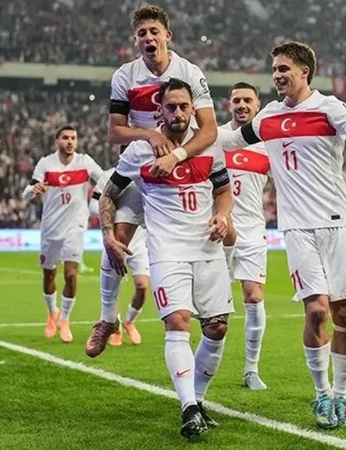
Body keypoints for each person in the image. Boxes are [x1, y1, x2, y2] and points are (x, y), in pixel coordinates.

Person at [217, 42, 346, 429]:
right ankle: (322, 394)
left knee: (343, 313)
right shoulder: (268, 117)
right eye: (274, 69)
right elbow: (227, 141)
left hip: (337, 223)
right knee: (316, 310)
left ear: (304, 71)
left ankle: (342, 395)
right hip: (296, 228)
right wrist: (186, 135)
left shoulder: (329, 108)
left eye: (283, 68)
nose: (277, 75)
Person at [100, 78, 234, 438]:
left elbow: (223, 190)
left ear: (193, 109)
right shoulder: (140, 150)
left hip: (207, 249)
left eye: (184, 106)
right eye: (171, 106)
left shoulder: (209, 145)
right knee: (178, 322)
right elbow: (109, 195)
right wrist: (108, 235)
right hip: (167, 252)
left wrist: (223, 216)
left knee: (217, 327)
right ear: (159, 109)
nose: (178, 112)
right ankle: (188, 408)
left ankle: (198, 401)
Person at [105, 4, 218, 327]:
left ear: (168, 35)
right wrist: (150, 135)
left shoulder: (190, 72)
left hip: (183, 170)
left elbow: (209, 130)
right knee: (117, 240)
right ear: (135, 40)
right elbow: (115, 132)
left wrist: (176, 155)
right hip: (141, 168)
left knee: (206, 236)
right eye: (141, 33)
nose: (148, 37)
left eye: (154, 31)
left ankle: (210, 309)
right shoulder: (125, 76)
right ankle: (107, 319)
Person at [22, 126, 103, 343]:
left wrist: (95, 200)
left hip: (75, 226)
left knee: (70, 274)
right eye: (65, 138)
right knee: (49, 274)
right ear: (57, 140)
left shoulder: (85, 162)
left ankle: (65, 320)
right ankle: (52, 313)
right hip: (51, 227)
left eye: (73, 138)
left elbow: (105, 179)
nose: (70, 142)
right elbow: (26, 193)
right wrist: (33, 190)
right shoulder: (46, 164)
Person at [220, 82, 271, 390]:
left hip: (252, 232)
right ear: (229, 105)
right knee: (214, 308)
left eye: (247, 100)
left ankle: (251, 369)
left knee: (253, 297)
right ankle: (204, 366)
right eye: (236, 100)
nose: (241, 105)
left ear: (257, 105)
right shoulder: (216, 138)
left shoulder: (267, 145)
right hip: (217, 232)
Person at [85, 168, 149, 358]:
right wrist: (116, 205)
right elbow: (93, 207)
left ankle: (129, 321)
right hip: (118, 238)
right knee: (116, 284)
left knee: (142, 286)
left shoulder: (149, 170)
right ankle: (114, 325)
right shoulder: (107, 176)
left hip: (140, 240)